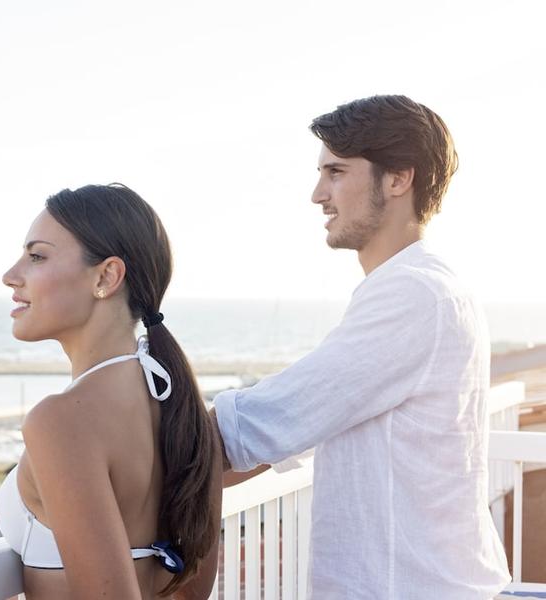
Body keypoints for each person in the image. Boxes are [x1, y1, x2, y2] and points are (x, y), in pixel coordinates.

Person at [211, 95, 511, 599]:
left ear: (398, 179)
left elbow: (267, 419)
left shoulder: (414, 295)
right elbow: (297, 419)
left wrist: (112, 464)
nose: (317, 194)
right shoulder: (425, 286)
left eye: (336, 172)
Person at [0, 184, 221, 599]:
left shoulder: (61, 421)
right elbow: (194, 591)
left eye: (37, 256)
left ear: (106, 277)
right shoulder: (184, 410)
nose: (10, 275)